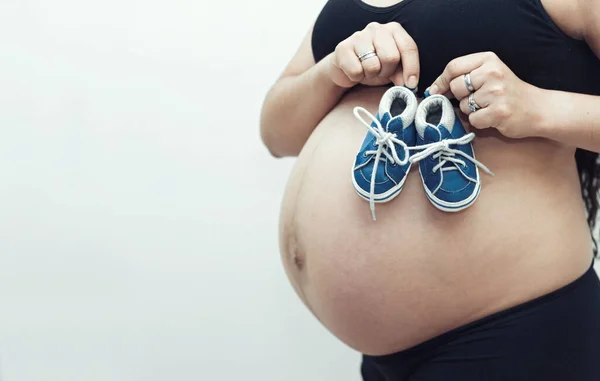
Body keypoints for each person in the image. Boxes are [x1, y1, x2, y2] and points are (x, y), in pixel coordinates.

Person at [260, 0, 600, 379]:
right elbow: (277, 135)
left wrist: (539, 108)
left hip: (513, 335)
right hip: (386, 356)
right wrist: (331, 73)